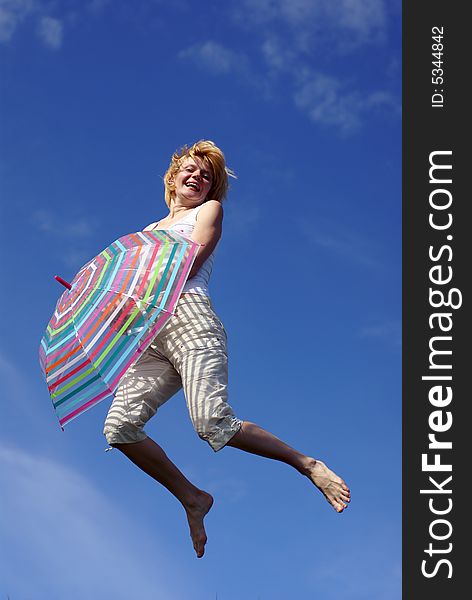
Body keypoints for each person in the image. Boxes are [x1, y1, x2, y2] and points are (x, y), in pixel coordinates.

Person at [103, 140, 351, 558]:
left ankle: (307, 464)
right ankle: (193, 498)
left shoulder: (208, 212)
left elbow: (190, 262)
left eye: (207, 175)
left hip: (191, 320)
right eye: (191, 170)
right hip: (151, 336)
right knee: (119, 428)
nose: (198, 177)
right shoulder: (146, 234)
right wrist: (116, 307)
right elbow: (136, 297)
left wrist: (137, 293)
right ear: (172, 177)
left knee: (212, 424)